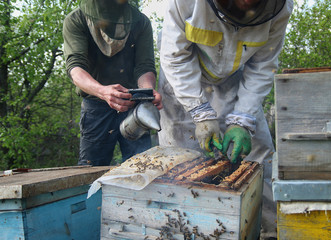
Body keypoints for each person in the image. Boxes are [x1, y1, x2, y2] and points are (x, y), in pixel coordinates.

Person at [158, 0, 293, 239]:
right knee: (177, 161)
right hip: (183, 81)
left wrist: (243, 119)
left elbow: (263, 65)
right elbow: (175, 57)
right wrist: (200, 112)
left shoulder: (279, 7)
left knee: (260, 155)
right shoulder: (185, 3)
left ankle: (273, 231)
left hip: (235, 81)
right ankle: (180, 231)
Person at [63, 0, 162, 166]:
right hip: (96, 107)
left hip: (134, 107)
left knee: (142, 167)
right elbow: (75, 67)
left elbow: (144, 66)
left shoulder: (140, 22)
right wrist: (102, 91)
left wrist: (147, 92)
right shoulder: (76, 20)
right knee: (90, 170)